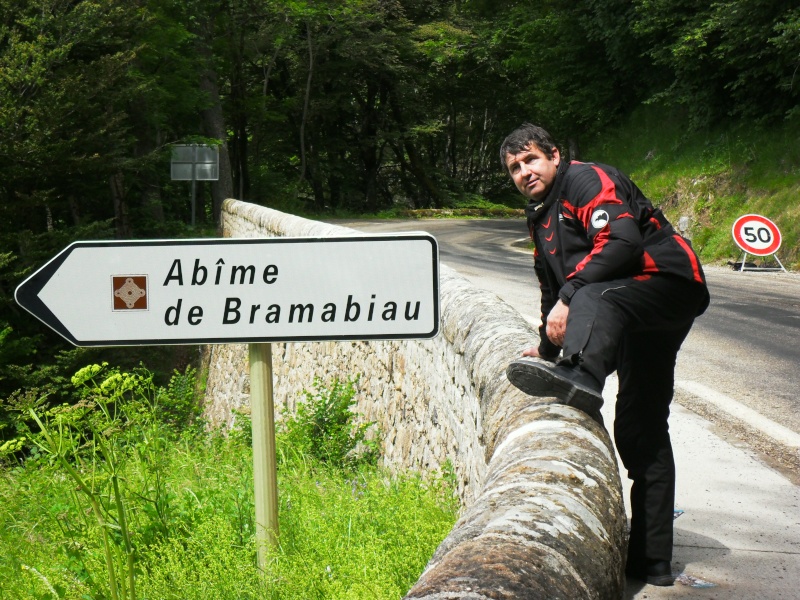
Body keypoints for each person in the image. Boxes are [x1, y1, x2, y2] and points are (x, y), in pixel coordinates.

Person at [499, 123, 709, 586]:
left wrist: (572, 297)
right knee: (640, 424)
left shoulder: (586, 180)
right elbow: (551, 291)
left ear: (554, 155)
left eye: (531, 159)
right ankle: (652, 561)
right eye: (515, 167)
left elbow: (622, 243)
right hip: (630, 308)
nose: (524, 171)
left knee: (592, 297)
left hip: (667, 281)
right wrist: (546, 344)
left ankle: (581, 378)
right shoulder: (540, 217)